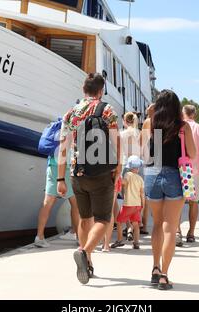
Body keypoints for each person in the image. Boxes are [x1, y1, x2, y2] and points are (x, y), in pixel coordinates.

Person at [57, 73, 121, 285]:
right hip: (101, 172)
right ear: (101, 91)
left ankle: (89, 263)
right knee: (103, 219)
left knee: (85, 219)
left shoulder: (70, 113)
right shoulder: (107, 110)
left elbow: (63, 148)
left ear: (84, 89)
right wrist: (118, 168)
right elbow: (116, 142)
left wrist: (60, 178)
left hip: (77, 172)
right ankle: (84, 252)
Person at [142, 90, 196, 290]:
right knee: (170, 227)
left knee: (156, 224)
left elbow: (144, 149)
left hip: (152, 174)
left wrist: (149, 116)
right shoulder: (183, 127)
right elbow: (192, 152)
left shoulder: (150, 124)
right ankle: (164, 275)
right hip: (175, 175)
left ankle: (155, 268)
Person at [176, 105, 199, 245]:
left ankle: (177, 231)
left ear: (183, 113)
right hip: (195, 170)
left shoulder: (178, 127)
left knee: (178, 201)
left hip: (180, 167)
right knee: (194, 202)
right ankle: (191, 233)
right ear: (195, 114)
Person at [34, 155, 80, 248]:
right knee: (75, 204)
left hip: (52, 166)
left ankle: (39, 237)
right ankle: (79, 237)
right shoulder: (69, 139)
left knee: (47, 203)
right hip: (66, 168)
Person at [111, 155, 145, 250]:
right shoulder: (140, 179)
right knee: (135, 224)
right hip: (137, 205)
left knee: (118, 221)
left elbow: (124, 182)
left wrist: (117, 178)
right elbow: (142, 193)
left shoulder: (128, 175)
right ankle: (136, 242)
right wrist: (143, 205)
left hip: (128, 204)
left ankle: (119, 240)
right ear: (138, 168)